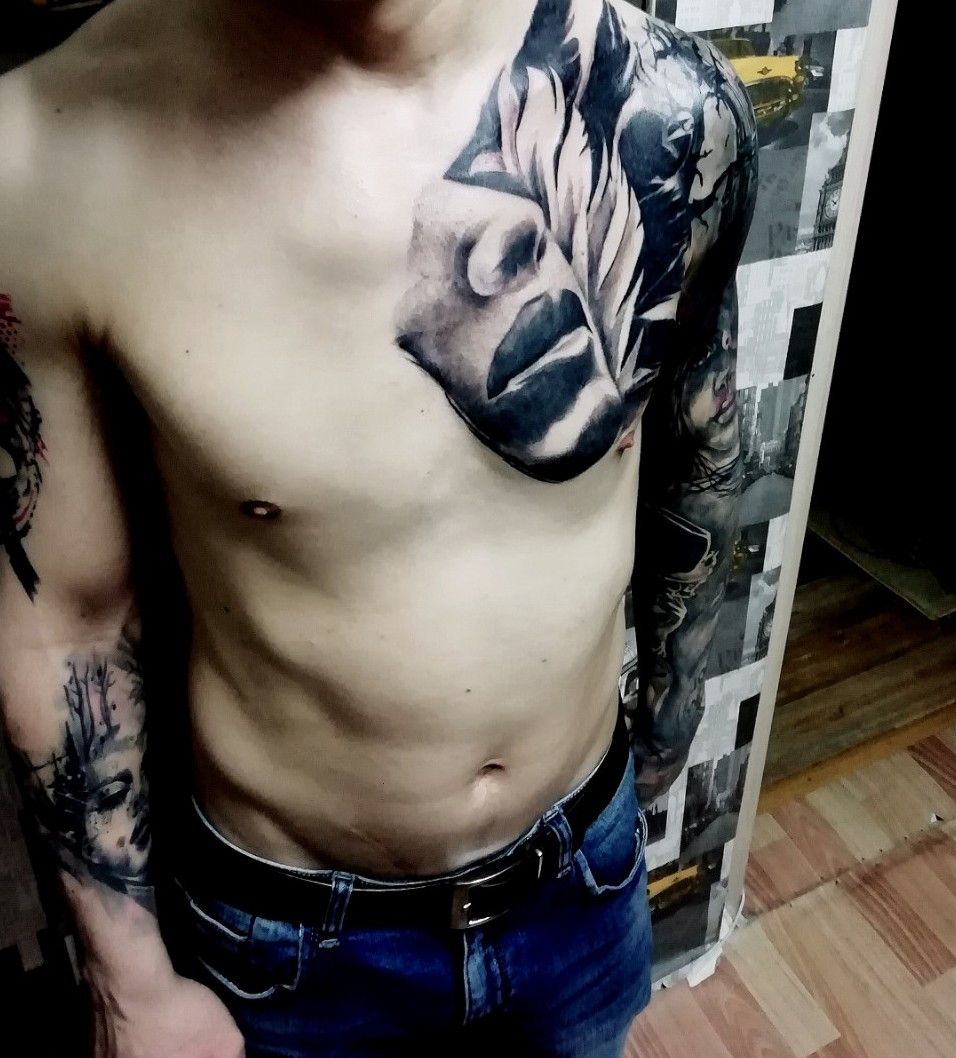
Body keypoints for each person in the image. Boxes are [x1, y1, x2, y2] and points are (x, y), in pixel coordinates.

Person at [0, 1, 758, 1054]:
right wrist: (126, 981)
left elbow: (697, 447)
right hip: (290, 945)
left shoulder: (671, 104)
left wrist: (670, 721)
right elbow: (64, 622)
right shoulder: (43, 159)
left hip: (580, 873)